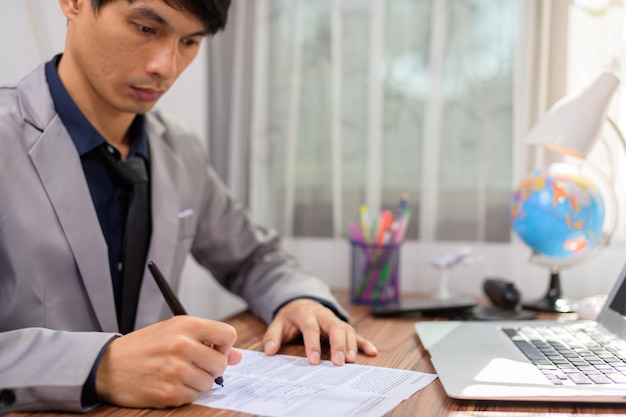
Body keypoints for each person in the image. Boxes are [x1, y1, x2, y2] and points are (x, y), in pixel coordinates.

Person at [0, 0, 378, 413]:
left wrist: (299, 299)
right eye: (145, 28)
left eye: (190, 41)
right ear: (74, 4)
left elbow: (254, 257)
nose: (166, 66)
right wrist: (98, 367)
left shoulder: (178, 148)